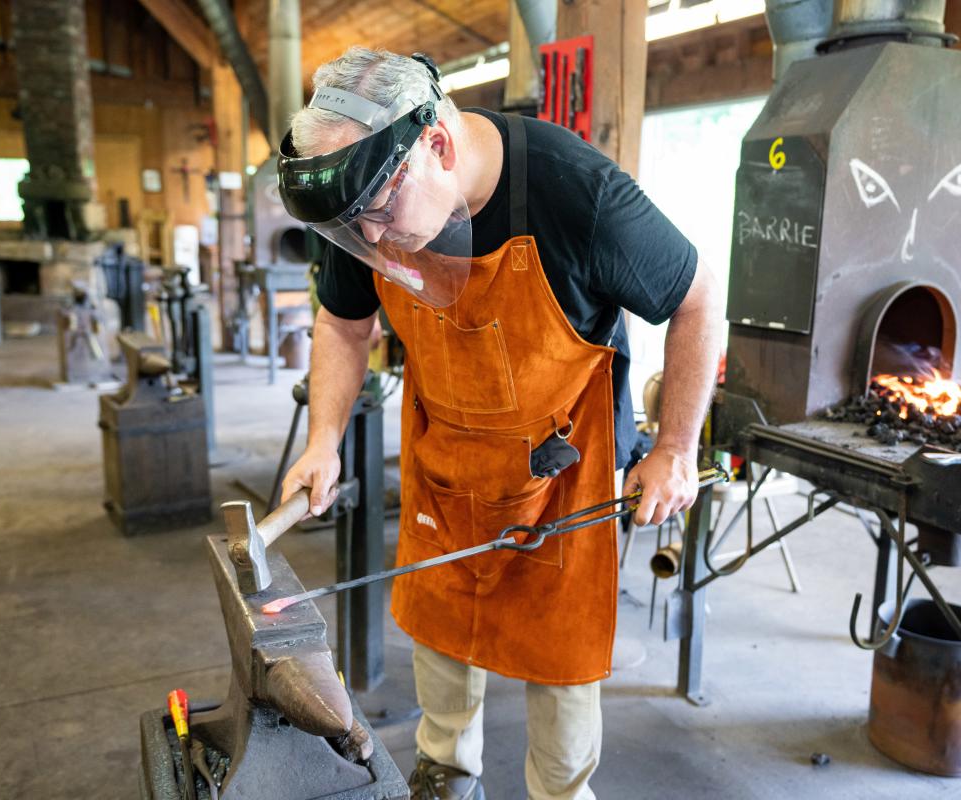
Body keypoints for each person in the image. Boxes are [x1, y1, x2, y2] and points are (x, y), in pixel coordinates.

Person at [277, 46, 723, 800]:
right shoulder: (368, 203)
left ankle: (561, 793)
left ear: (438, 146)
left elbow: (699, 295)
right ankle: (448, 774)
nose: (374, 245)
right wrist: (324, 438)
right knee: (442, 643)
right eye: (357, 233)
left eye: (380, 219)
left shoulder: (576, 191)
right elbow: (344, 322)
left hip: (562, 475)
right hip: (444, 464)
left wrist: (676, 448)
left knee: (560, 669)